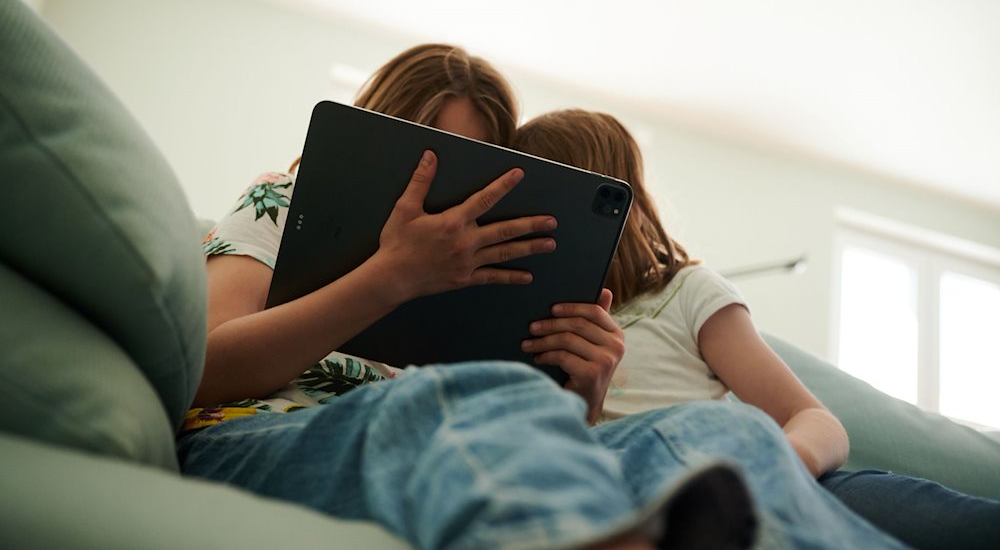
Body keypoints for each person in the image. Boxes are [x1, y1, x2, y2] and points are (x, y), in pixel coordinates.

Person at [179, 43, 907, 549]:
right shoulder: (282, 197)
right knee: (462, 402)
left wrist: (582, 397)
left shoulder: (480, 268)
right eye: (418, 162)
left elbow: (521, 438)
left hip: (439, 437)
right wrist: (390, 275)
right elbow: (204, 367)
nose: (441, 214)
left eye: (471, 185)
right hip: (263, 433)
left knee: (726, 436)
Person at [512, 108, 1000, 550]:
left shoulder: (684, 292)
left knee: (945, 521)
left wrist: (775, 469)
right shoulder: (527, 326)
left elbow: (819, 422)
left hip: (775, 478)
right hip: (652, 505)